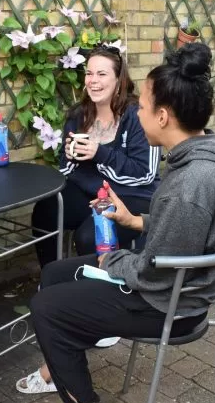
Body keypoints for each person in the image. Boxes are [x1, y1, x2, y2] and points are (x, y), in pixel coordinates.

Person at [17, 43, 215, 403]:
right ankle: (57, 365)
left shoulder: (191, 183)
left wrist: (114, 260)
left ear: (162, 116)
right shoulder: (206, 155)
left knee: (46, 306)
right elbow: (182, 230)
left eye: (141, 106)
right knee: (56, 274)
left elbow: (155, 271)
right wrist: (136, 221)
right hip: (174, 282)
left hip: (171, 304)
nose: (136, 113)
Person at [31, 45, 160, 269]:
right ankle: (50, 277)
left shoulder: (137, 115)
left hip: (132, 195)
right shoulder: (78, 115)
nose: (93, 80)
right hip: (91, 192)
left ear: (118, 80)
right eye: (89, 74)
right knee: (45, 211)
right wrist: (71, 157)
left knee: (88, 237)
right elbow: (66, 165)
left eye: (102, 74)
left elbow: (144, 174)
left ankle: (94, 291)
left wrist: (98, 153)